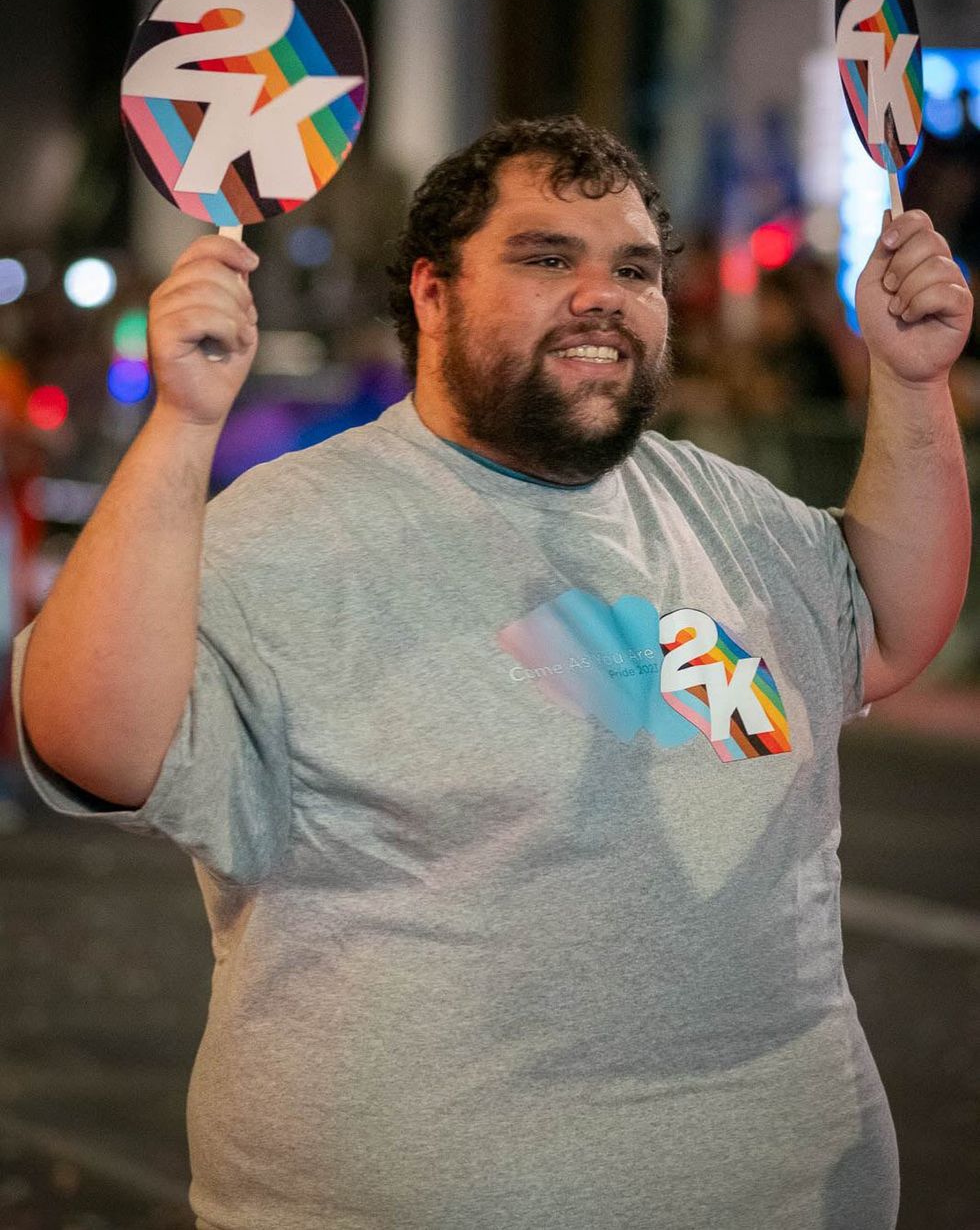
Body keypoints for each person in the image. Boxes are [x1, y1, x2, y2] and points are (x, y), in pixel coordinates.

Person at [13, 117, 973, 1230]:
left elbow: (892, 632)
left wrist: (909, 382)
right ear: (430, 294)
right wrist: (182, 423)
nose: (600, 294)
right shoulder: (289, 531)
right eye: (545, 257)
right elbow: (89, 739)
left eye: (632, 268)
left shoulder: (724, 508)